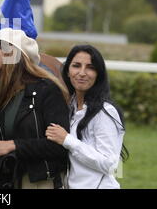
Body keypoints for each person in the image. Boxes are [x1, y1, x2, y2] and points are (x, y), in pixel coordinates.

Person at [0, 28, 70, 189]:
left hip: (39, 181)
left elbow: (60, 146)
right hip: (5, 179)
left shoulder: (47, 90)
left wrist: (13, 145)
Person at [46, 44, 129, 189]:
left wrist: (67, 140)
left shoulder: (105, 112)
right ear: (67, 71)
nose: (82, 73)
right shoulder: (69, 106)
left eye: (90, 67)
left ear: (98, 74)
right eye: (76, 66)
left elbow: (109, 164)